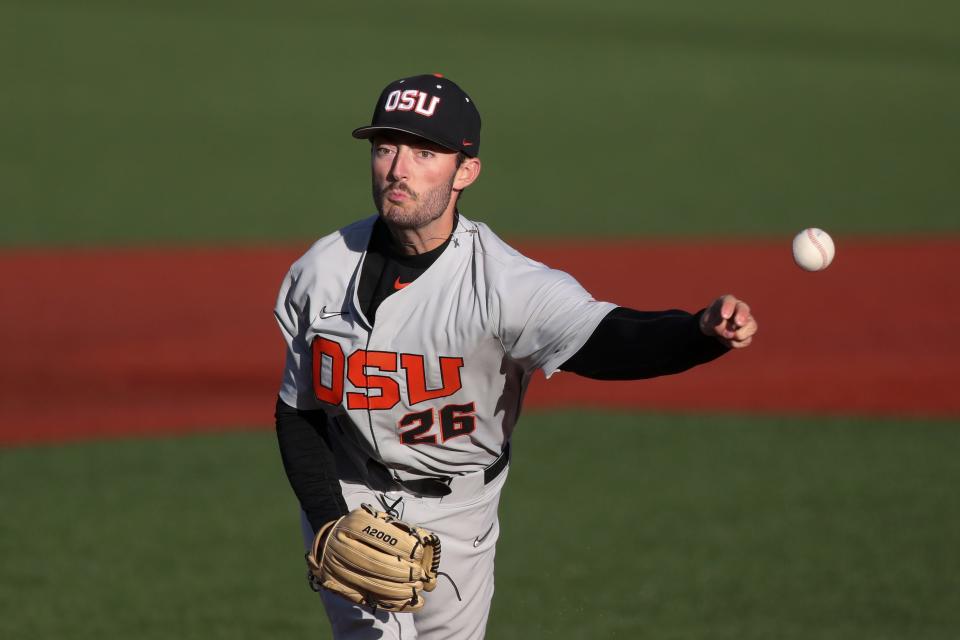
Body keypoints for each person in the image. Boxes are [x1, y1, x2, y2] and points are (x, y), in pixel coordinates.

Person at [274, 73, 758, 640]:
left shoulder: (504, 285)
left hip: (460, 517)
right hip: (347, 496)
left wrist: (698, 332)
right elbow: (299, 411)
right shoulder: (322, 271)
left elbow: (606, 337)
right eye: (386, 148)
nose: (398, 169)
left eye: (424, 152)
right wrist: (329, 519)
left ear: (466, 171)